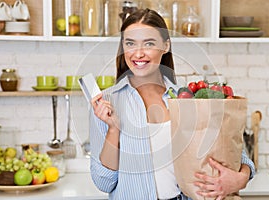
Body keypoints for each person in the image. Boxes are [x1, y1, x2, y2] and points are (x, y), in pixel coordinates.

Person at [89, 8, 255, 200]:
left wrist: (240, 178)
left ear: (165, 45)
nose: (138, 53)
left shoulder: (186, 99)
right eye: (130, 43)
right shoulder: (107, 102)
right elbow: (104, 182)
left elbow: (235, 153)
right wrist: (113, 130)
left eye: (149, 43)